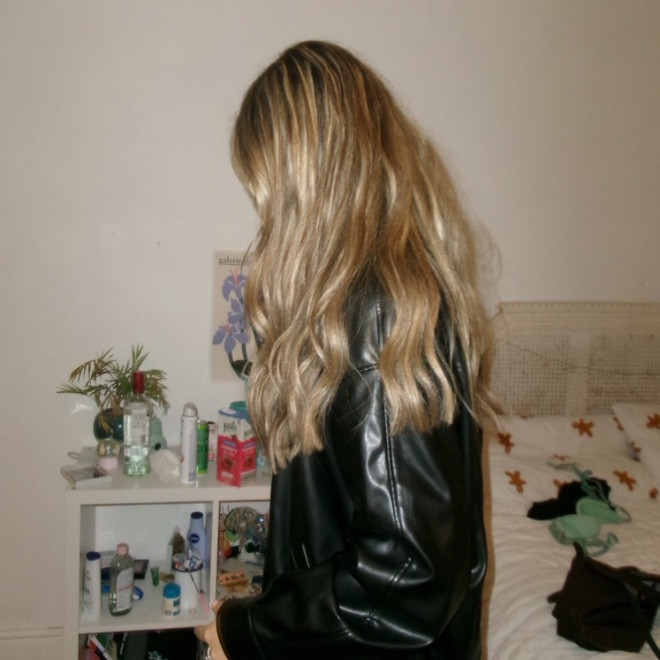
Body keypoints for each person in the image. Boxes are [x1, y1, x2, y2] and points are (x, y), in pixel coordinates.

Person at [196, 40, 495, 659]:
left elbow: (408, 574)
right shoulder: (366, 303)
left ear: (307, 178)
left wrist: (248, 630)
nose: (267, 213)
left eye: (269, 188)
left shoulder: (379, 313)